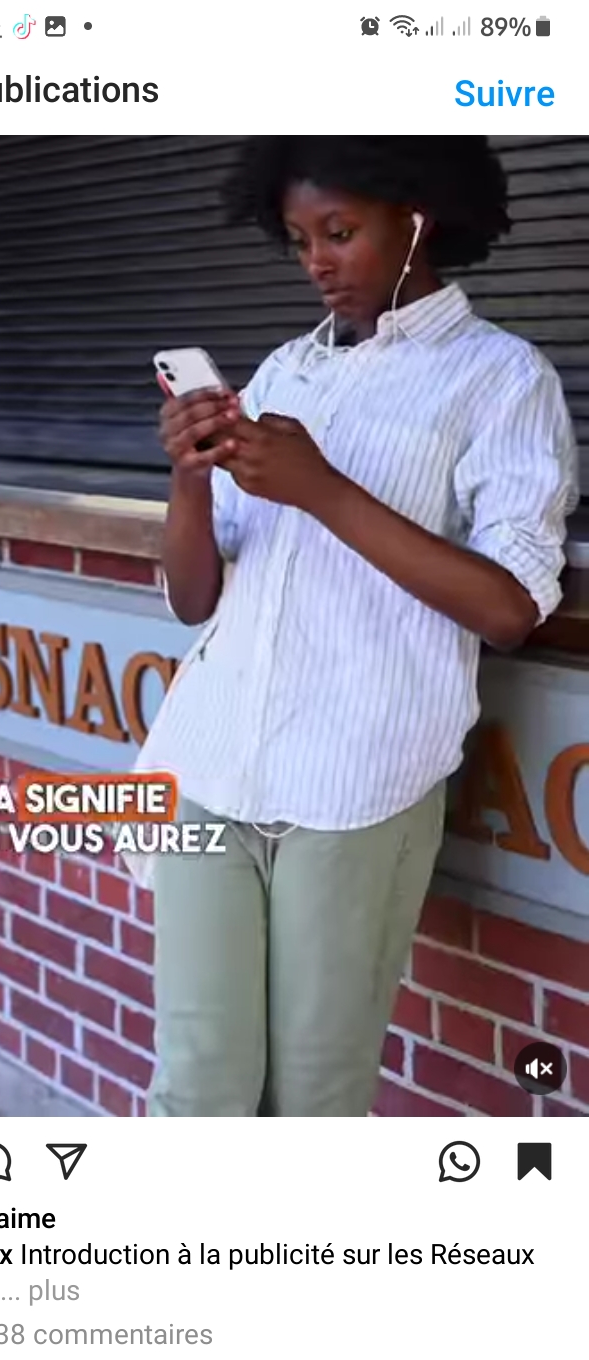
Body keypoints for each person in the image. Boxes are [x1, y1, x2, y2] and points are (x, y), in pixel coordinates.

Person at [130, 136, 579, 1118]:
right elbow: (196, 599)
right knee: (194, 1093)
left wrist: (323, 490)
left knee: (312, 1104)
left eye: (339, 232)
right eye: (300, 241)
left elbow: (509, 607)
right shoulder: (283, 372)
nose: (317, 263)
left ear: (416, 218)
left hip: (355, 782)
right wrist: (189, 478)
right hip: (211, 766)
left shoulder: (501, 378)